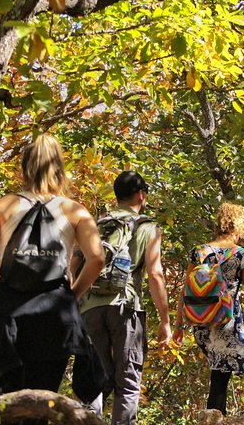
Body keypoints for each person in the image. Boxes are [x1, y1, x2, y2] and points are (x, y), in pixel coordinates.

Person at [0, 134, 106, 409]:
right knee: (41, 402)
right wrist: (72, 294)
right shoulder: (75, 211)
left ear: (24, 168)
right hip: (55, 318)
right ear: (59, 168)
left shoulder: (2, 206)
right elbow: (97, 258)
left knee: (5, 404)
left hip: (9, 317)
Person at [75, 170, 172, 425]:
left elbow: (74, 263)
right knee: (127, 382)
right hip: (125, 307)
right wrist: (166, 321)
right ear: (141, 195)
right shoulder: (148, 227)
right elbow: (155, 274)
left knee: (95, 379)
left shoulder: (96, 224)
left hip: (89, 307)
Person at [173, 202, 244, 416]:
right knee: (220, 375)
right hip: (227, 320)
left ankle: (215, 415)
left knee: (218, 373)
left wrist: (178, 325)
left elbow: (185, 290)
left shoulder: (198, 252)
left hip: (201, 319)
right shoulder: (242, 255)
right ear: (238, 227)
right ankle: (215, 416)